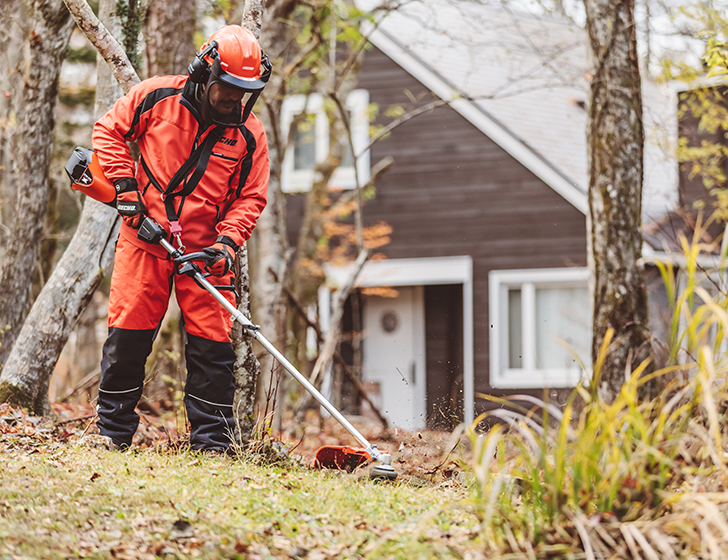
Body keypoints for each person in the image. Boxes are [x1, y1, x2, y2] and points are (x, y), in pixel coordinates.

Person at [91, 25, 271, 452]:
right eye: (227, 87)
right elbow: (108, 131)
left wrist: (226, 245)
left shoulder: (249, 134)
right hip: (144, 240)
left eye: (244, 91)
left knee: (213, 350)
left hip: (205, 252)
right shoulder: (156, 98)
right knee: (128, 337)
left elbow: (251, 196)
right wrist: (127, 191)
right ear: (204, 74)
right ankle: (112, 435)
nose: (234, 98)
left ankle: (212, 444)